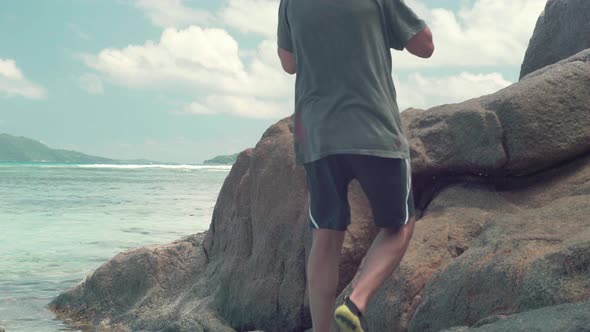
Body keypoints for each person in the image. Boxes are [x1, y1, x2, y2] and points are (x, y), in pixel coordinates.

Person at [277, 0, 434, 331]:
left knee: (326, 235)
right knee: (400, 225)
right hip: (373, 129)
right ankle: (355, 304)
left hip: (318, 135)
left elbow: (288, 63)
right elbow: (425, 45)